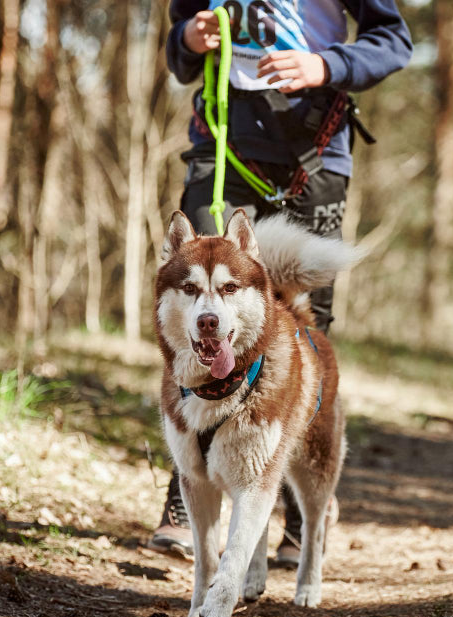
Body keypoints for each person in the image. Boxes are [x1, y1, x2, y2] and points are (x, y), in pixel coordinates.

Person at [148, 0, 412, 565]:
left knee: (304, 324)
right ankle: (186, 492)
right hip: (221, 148)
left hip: (313, 156)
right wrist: (188, 40)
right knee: (198, 315)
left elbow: (394, 40)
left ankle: (298, 512)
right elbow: (179, 51)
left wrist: (327, 67)